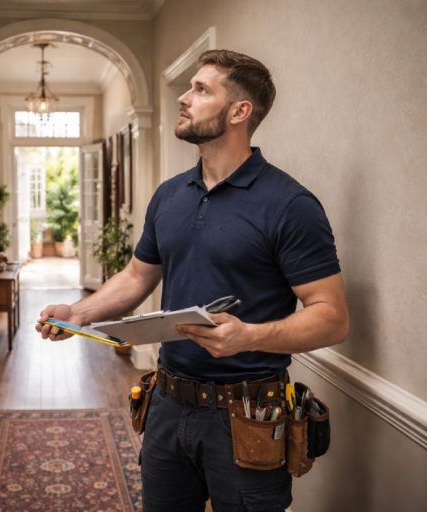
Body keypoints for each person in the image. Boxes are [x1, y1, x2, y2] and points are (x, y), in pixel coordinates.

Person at [36, 49, 349, 512]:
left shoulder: (289, 204)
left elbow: (333, 318)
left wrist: (249, 337)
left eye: (201, 90)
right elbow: (137, 275)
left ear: (240, 111)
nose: (183, 98)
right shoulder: (169, 195)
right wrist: (76, 314)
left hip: (248, 417)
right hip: (167, 404)